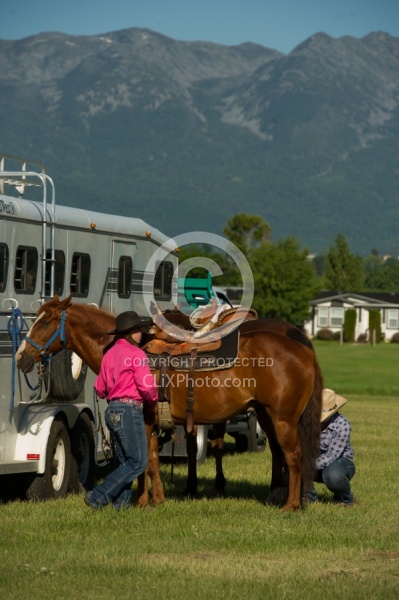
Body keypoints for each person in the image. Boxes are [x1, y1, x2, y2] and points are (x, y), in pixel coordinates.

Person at [84, 311, 158, 509]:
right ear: (129, 333)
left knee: (124, 461)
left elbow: (100, 388)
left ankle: (121, 507)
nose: (141, 334)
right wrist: (153, 401)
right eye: (138, 331)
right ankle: (97, 496)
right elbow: (147, 387)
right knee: (137, 462)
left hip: (113, 411)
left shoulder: (108, 355)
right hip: (129, 410)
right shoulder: (137, 354)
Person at [305, 388, 356, 507]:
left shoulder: (343, 425)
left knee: (333, 475)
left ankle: (345, 499)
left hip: (339, 462)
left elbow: (331, 455)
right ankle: (307, 497)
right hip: (314, 462)